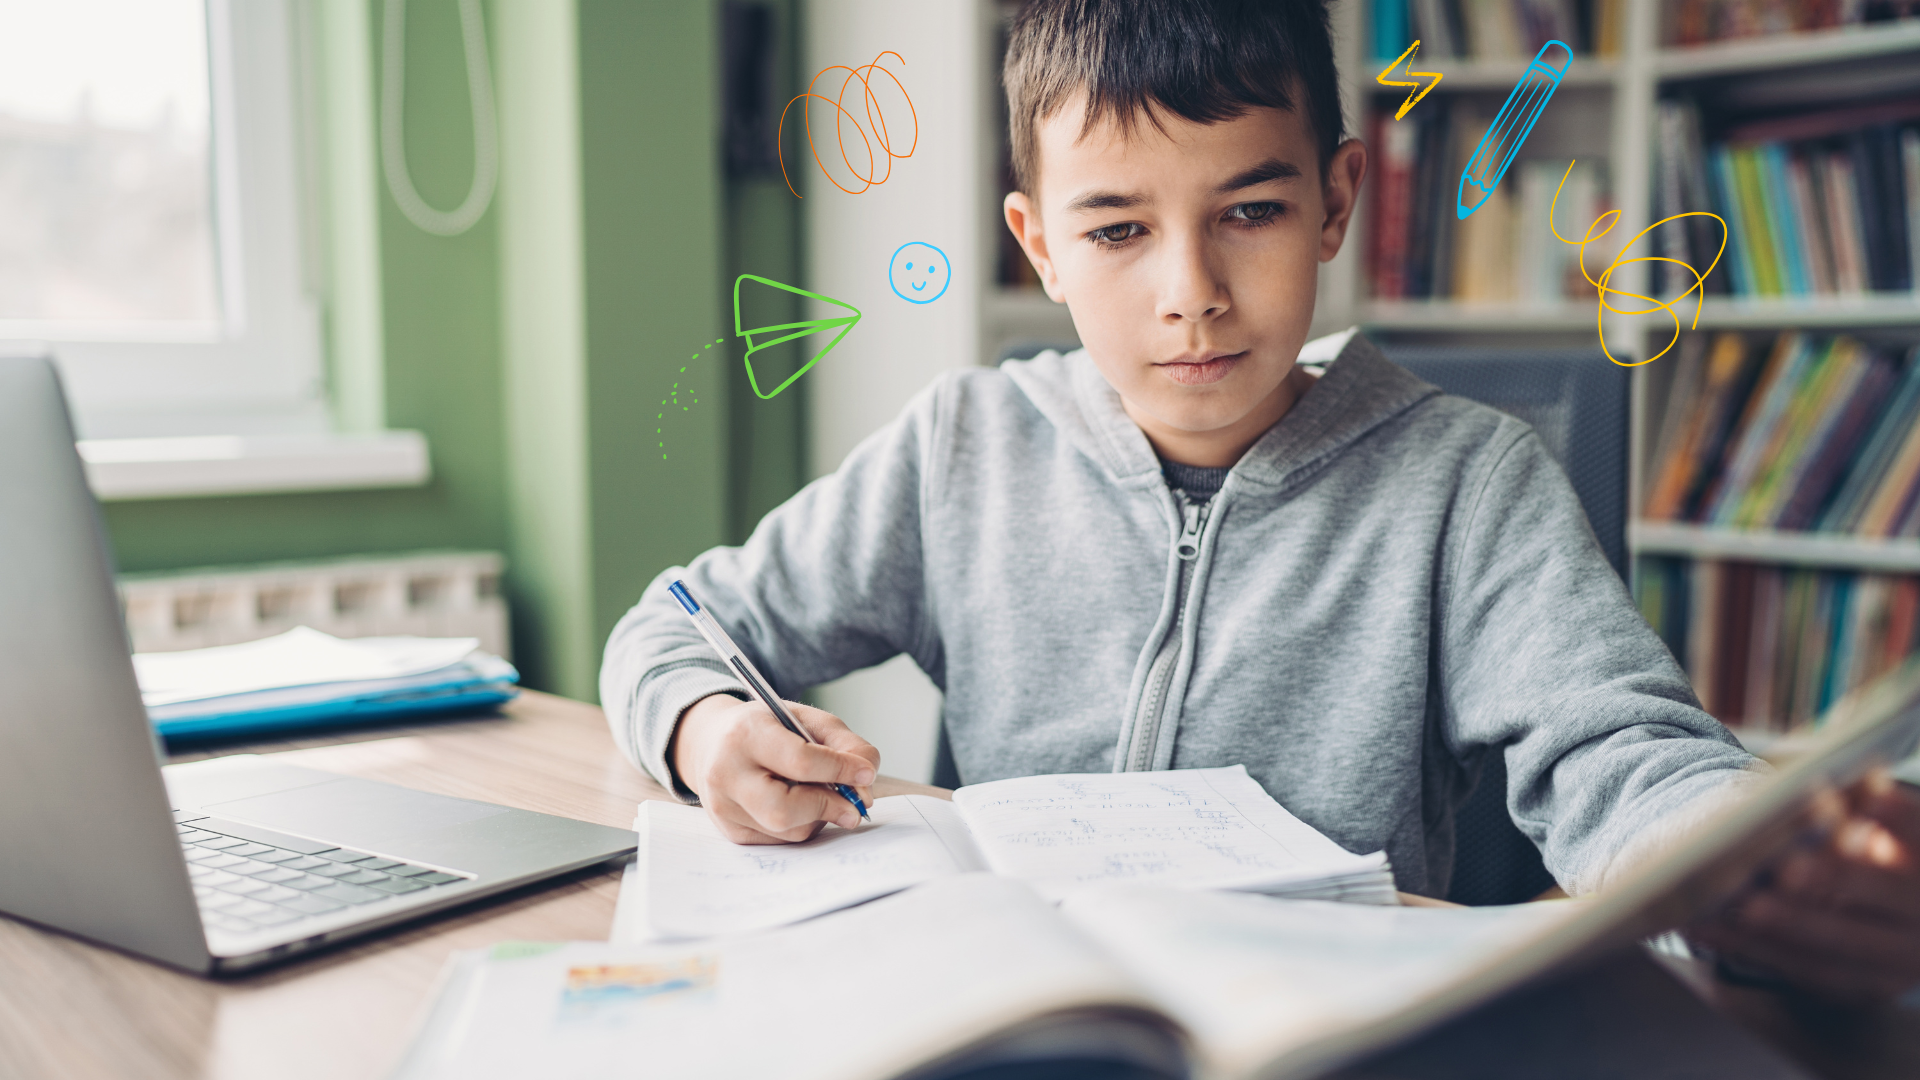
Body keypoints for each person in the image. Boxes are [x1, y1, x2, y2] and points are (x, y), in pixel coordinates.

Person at [602, 0, 1920, 1003]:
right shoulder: (964, 446)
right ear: (1039, 245)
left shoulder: (1466, 479)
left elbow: (1623, 759)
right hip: (1015, 1012)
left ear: (1338, 200)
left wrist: (1740, 870)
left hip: (1323, 1025)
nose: (1192, 292)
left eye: (1250, 210)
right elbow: (673, 627)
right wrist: (707, 729)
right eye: (1117, 230)